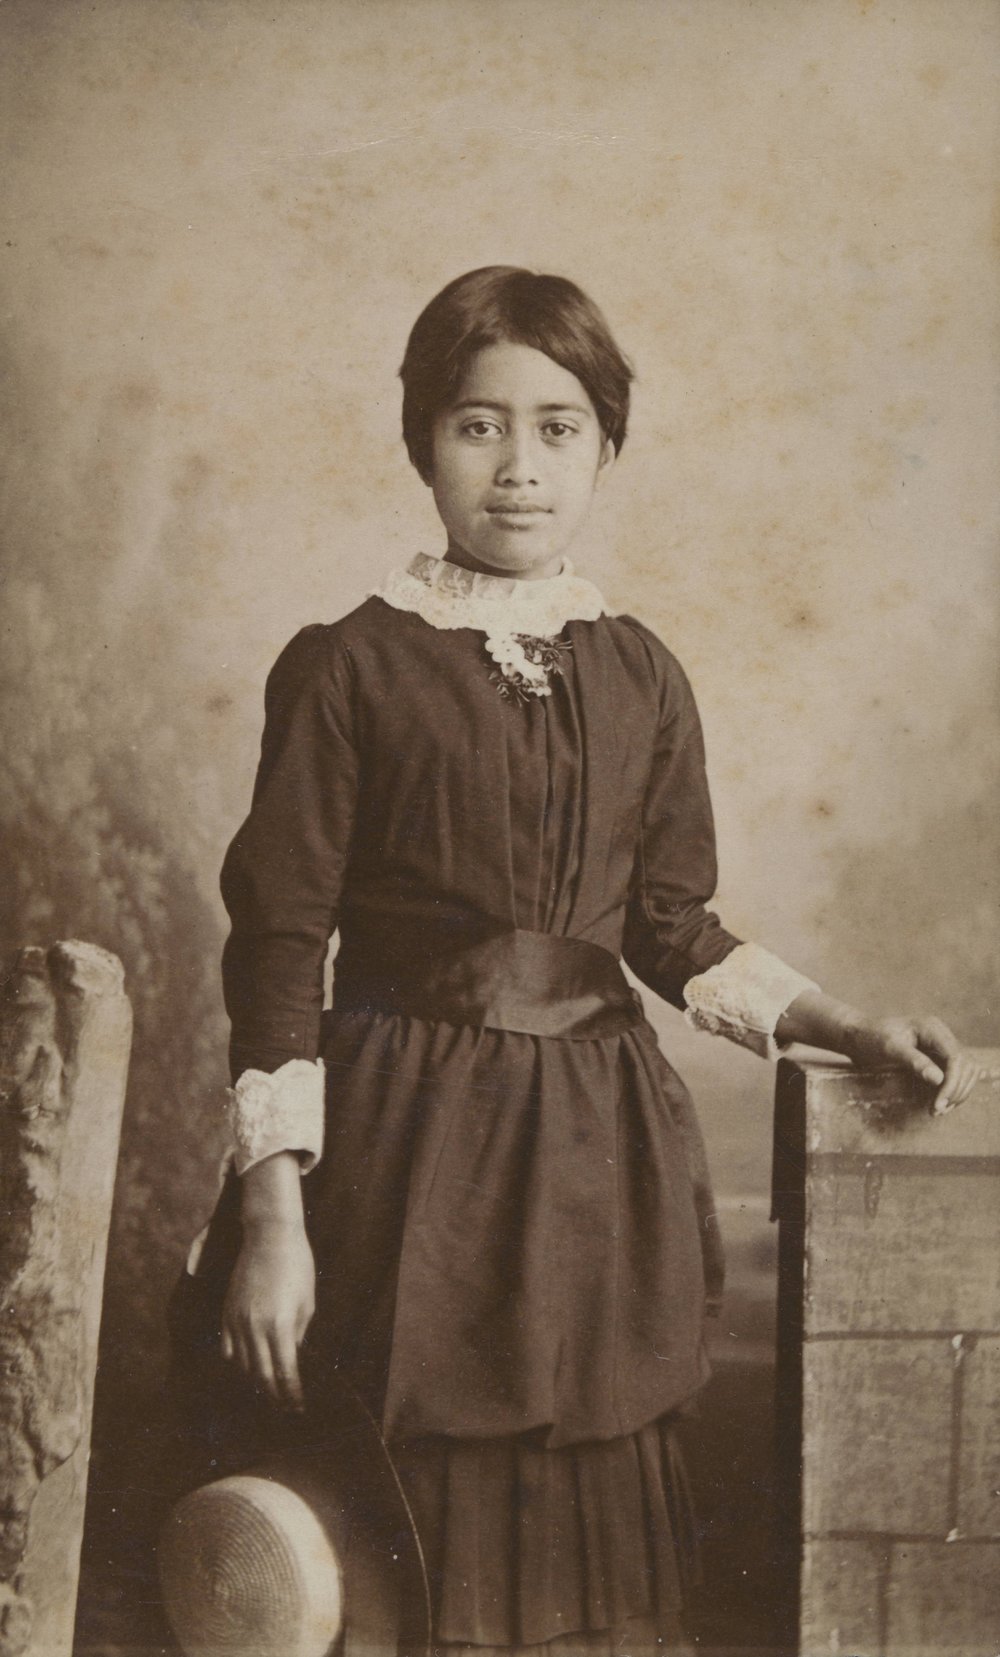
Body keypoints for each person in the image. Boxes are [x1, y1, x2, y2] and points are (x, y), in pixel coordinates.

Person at [188, 267, 984, 1656]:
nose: (517, 467)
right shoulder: (347, 668)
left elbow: (675, 929)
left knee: (584, 1560)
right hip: (404, 1163)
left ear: (607, 448)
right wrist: (271, 1214)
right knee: (386, 1555)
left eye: (558, 428)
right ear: (420, 442)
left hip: (592, 1167)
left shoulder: (642, 675)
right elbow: (276, 948)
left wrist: (845, 1024)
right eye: (477, 425)